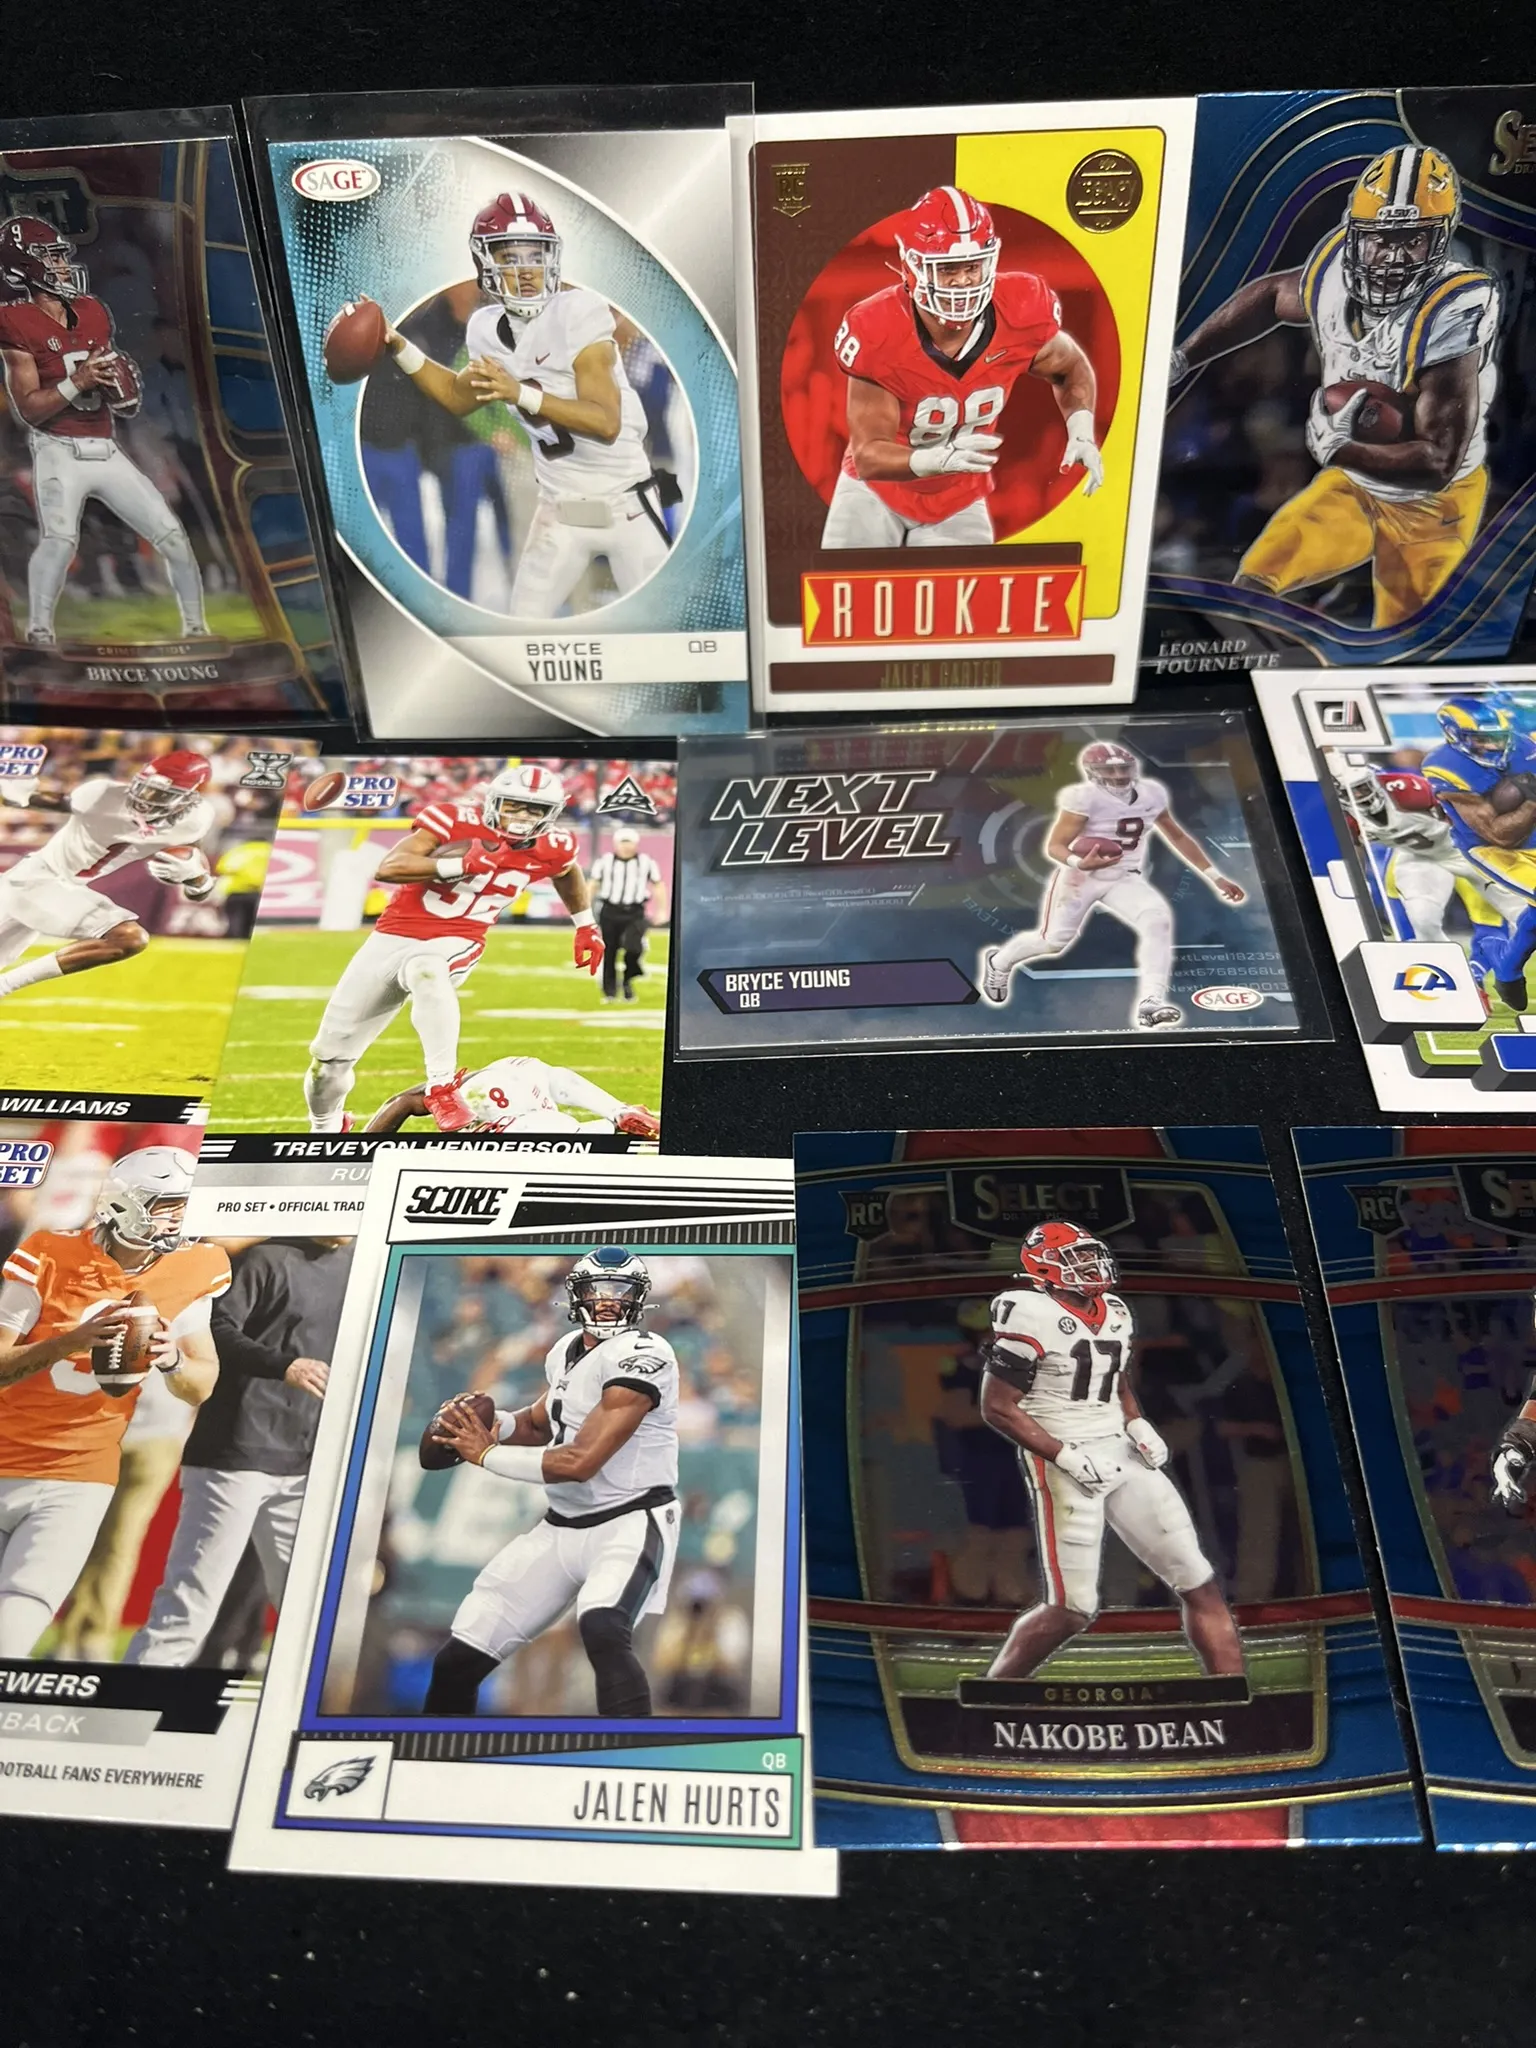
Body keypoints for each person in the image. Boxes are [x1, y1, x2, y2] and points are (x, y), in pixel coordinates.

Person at [1169, 146, 1497, 628]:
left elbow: (1437, 461)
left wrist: (1341, 450)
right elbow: (1270, 294)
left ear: (1441, 240)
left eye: (1412, 240)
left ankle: (1351, 597)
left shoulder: (1453, 307)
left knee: (1404, 641)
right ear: (1356, 234)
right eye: (1380, 239)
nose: (1392, 256)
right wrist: (1182, 358)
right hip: (1355, 488)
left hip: (1433, 506)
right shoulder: (1333, 270)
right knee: (1254, 584)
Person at [359, 192, 675, 616]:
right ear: (485, 263)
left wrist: (520, 393)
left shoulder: (579, 312)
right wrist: (399, 346)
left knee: (664, 623)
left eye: (535, 255)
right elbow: (455, 396)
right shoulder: (485, 328)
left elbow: (606, 422)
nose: (526, 270)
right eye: (510, 258)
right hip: (559, 508)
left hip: (626, 505)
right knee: (524, 626)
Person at [976, 1220, 1245, 1682]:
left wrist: (1136, 1422)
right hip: (1064, 1456)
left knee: (1199, 1582)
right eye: (1075, 1256)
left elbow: (1114, 1380)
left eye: (1089, 1253)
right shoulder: (1028, 1311)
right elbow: (998, 1407)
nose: (1090, 1263)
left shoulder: (1115, 1310)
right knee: (1072, 1609)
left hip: (1120, 1449)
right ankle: (994, 1691)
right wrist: (1064, 1456)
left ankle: (1235, 1694)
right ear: (1045, 1266)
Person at [422, 1248, 680, 1717]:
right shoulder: (565, 1350)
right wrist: (494, 1425)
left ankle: (635, 1751)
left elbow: (580, 1461)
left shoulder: (645, 1354)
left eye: (620, 1291)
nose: (608, 1301)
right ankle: (433, 1752)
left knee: (604, 1629)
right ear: (576, 1295)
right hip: (562, 1525)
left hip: (628, 1520)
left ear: (639, 1299)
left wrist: (487, 1454)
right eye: (597, 1290)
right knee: (458, 1659)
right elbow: (541, 1423)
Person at [0, 1147, 225, 1657]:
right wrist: (71, 1341)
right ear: (126, 1205)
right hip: (8, 1450)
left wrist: (172, 1360)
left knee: (17, 1624)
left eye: (186, 1205)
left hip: (81, 1471)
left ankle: (84, 1646)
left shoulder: (196, 1266)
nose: (180, 1218)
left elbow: (202, 1382)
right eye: (168, 1205)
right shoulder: (47, 1253)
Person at [303, 762, 603, 1136]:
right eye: (514, 805)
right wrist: (460, 864)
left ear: (552, 813)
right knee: (328, 1063)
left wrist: (585, 924)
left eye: (535, 809)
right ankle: (326, 1129)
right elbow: (390, 867)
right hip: (391, 937)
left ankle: (441, 1087)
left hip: (459, 939)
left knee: (426, 968)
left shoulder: (555, 845)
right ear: (494, 802)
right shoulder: (453, 820)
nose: (523, 816)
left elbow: (566, 871)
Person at [821, 184, 1102, 549]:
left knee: (965, 586)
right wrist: (937, 460)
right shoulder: (877, 329)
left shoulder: (1022, 308)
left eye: (973, 266)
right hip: (874, 493)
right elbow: (869, 454)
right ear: (912, 267)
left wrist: (1081, 432)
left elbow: (1070, 367)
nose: (963, 281)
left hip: (959, 498)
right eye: (948, 269)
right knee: (849, 584)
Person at [127, 1235, 352, 1667]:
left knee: (313, 1614)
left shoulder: (361, 1266)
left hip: (304, 1460)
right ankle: (129, 1700)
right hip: (233, 1455)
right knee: (188, 1607)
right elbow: (215, 1329)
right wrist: (282, 1365)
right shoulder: (264, 1259)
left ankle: (299, 1707)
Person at [0, 214, 208, 647]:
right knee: (60, 541)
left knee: (172, 535)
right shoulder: (14, 321)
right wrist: (79, 381)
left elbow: (119, 396)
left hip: (106, 446)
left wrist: (122, 391)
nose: (62, 265)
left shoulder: (92, 311)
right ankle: (39, 630)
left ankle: (196, 628)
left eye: (61, 256)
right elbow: (29, 409)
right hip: (58, 448)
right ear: (24, 267)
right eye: (50, 257)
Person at [979, 740, 1247, 1028]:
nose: (1119, 775)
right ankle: (999, 962)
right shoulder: (1084, 798)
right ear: (1093, 773)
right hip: (1081, 877)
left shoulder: (1152, 793)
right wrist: (1079, 862)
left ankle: (1152, 1002)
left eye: (1123, 768)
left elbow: (1177, 836)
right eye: (1110, 770)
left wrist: (1215, 877)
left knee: (1157, 921)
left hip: (1124, 876)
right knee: (1052, 942)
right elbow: (1055, 846)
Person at [0, 749, 217, 1003]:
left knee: (127, 938)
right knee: (128, 938)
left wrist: (196, 878)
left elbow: (198, 886)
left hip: (44, 888)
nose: (145, 799)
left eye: (160, 794)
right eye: (145, 787)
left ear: (191, 798)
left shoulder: (194, 820)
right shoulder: (102, 795)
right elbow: (48, 800)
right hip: (36, 879)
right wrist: (17, 795)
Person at [1332, 758, 1520, 967]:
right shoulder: (1344, 818)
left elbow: (1455, 803)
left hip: (1463, 848)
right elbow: (1353, 850)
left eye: (1363, 786)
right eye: (1353, 791)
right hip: (1419, 857)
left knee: (1521, 911)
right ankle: (1453, 972)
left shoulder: (1405, 789)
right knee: (1423, 919)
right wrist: (1358, 885)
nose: (1361, 794)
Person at [1421, 696, 1536, 1010]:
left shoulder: (1524, 744)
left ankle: (1507, 970)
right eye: (1481, 740)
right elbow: (1499, 834)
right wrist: (1531, 800)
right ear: (1453, 735)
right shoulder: (1446, 767)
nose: (1492, 746)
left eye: (1498, 738)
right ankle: (1507, 970)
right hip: (1492, 848)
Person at [364, 1053, 659, 1138]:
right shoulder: (470, 1089)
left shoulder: (536, 1120)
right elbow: (403, 1101)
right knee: (560, 1080)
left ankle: (618, 1111)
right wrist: (615, 1122)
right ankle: (618, 1109)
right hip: (516, 1077)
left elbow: (401, 1102)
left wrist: (361, 1149)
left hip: (516, 1089)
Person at [588, 826, 664, 1003]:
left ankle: (628, 980)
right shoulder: (605, 861)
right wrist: (584, 911)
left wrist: (661, 910)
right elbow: (592, 885)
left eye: (629, 843)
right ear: (616, 844)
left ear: (636, 844)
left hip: (635, 911)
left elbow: (658, 885)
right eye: (622, 843)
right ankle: (610, 992)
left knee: (634, 947)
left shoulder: (646, 862)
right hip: (610, 910)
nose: (626, 847)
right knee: (609, 951)